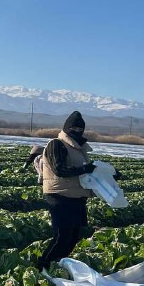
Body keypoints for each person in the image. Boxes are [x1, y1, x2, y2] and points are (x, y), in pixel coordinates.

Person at [38, 111, 96, 269]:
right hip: (59, 196)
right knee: (62, 237)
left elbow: (85, 171)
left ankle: (57, 267)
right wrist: (84, 169)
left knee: (73, 238)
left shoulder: (79, 148)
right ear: (66, 128)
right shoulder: (56, 144)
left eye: (80, 129)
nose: (77, 132)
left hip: (77, 197)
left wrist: (107, 174)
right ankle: (43, 268)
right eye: (74, 129)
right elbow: (60, 169)